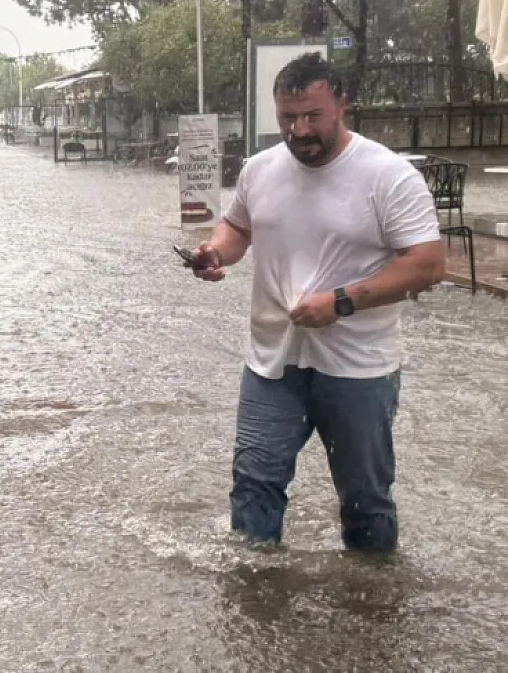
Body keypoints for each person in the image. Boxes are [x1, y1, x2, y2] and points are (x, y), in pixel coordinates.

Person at [190, 53, 444, 552]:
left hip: (359, 366)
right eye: (288, 117)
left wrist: (342, 302)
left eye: (312, 116)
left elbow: (428, 264)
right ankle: (255, 604)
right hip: (272, 360)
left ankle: (371, 609)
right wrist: (216, 252)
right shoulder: (259, 169)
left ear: (342, 104)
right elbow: (239, 226)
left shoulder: (387, 175)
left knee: (364, 501)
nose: (299, 130)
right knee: (254, 484)